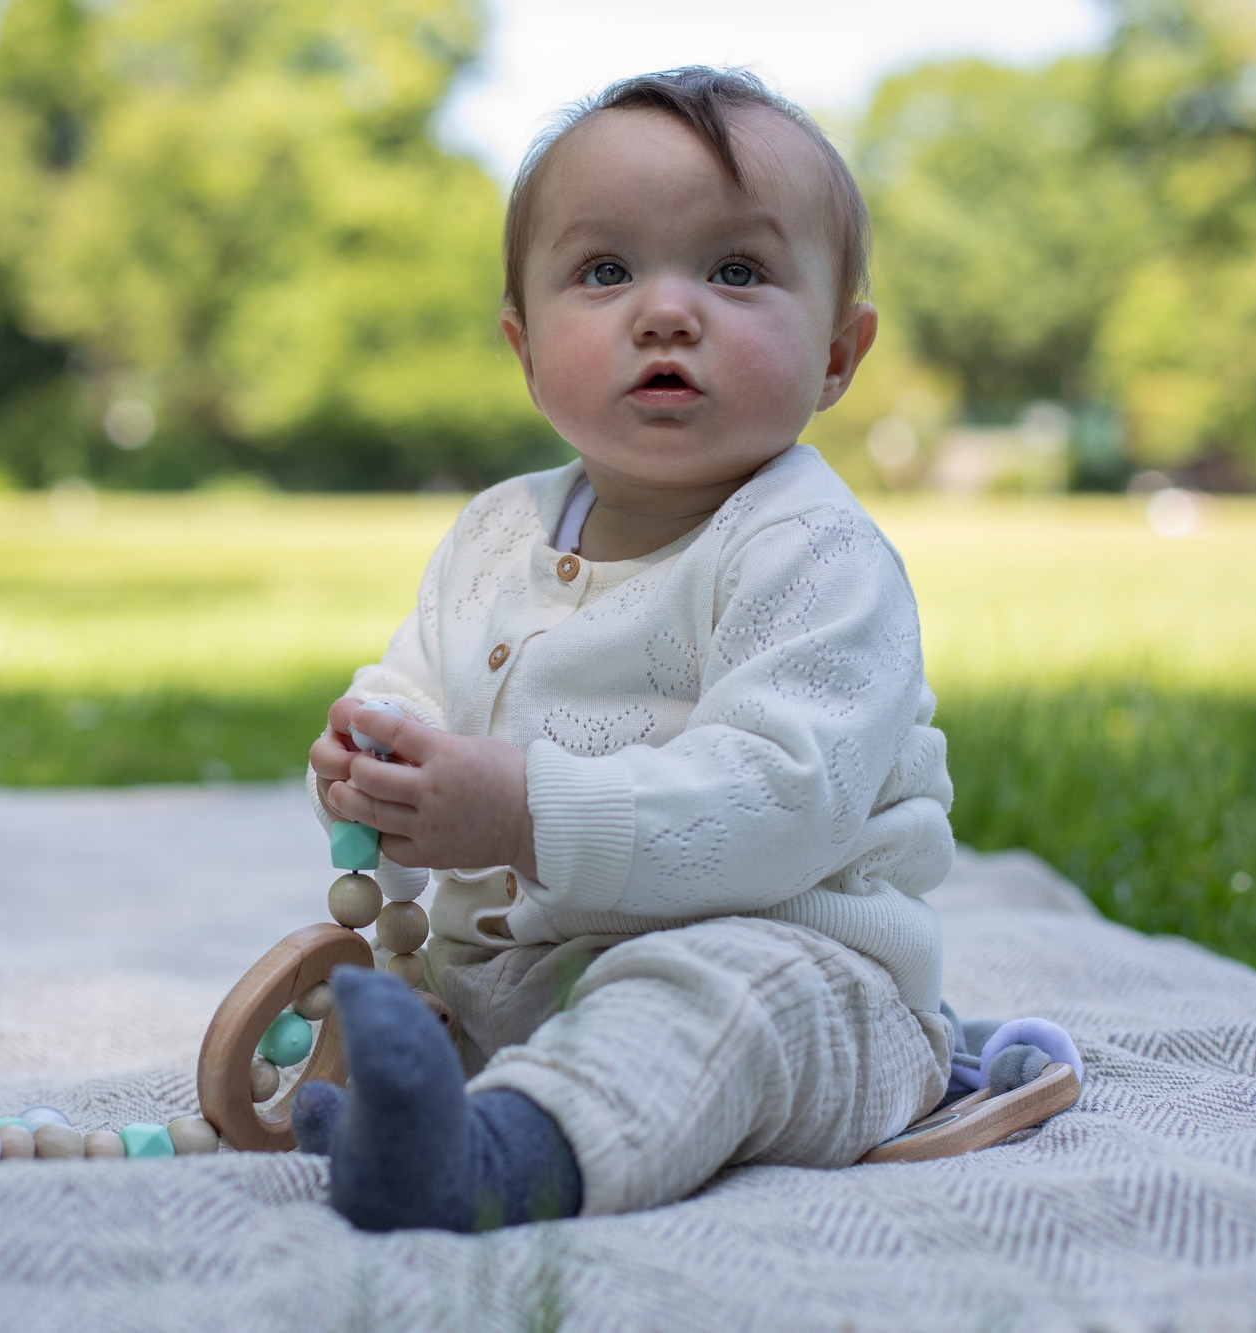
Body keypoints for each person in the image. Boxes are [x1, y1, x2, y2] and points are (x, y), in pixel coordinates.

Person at [294, 66, 1052, 1233]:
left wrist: (525, 813)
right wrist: (373, 753)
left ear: (838, 355)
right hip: (526, 979)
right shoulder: (495, 532)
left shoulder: (815, 556)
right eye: (603, 271)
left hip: (806, 978)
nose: (663, 310)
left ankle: (498, 1159)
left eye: (735, 271)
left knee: (717, 999)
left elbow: (778, 799)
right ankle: (421, 1101)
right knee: (403, 988)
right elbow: (420, 682)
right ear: (525, 347)